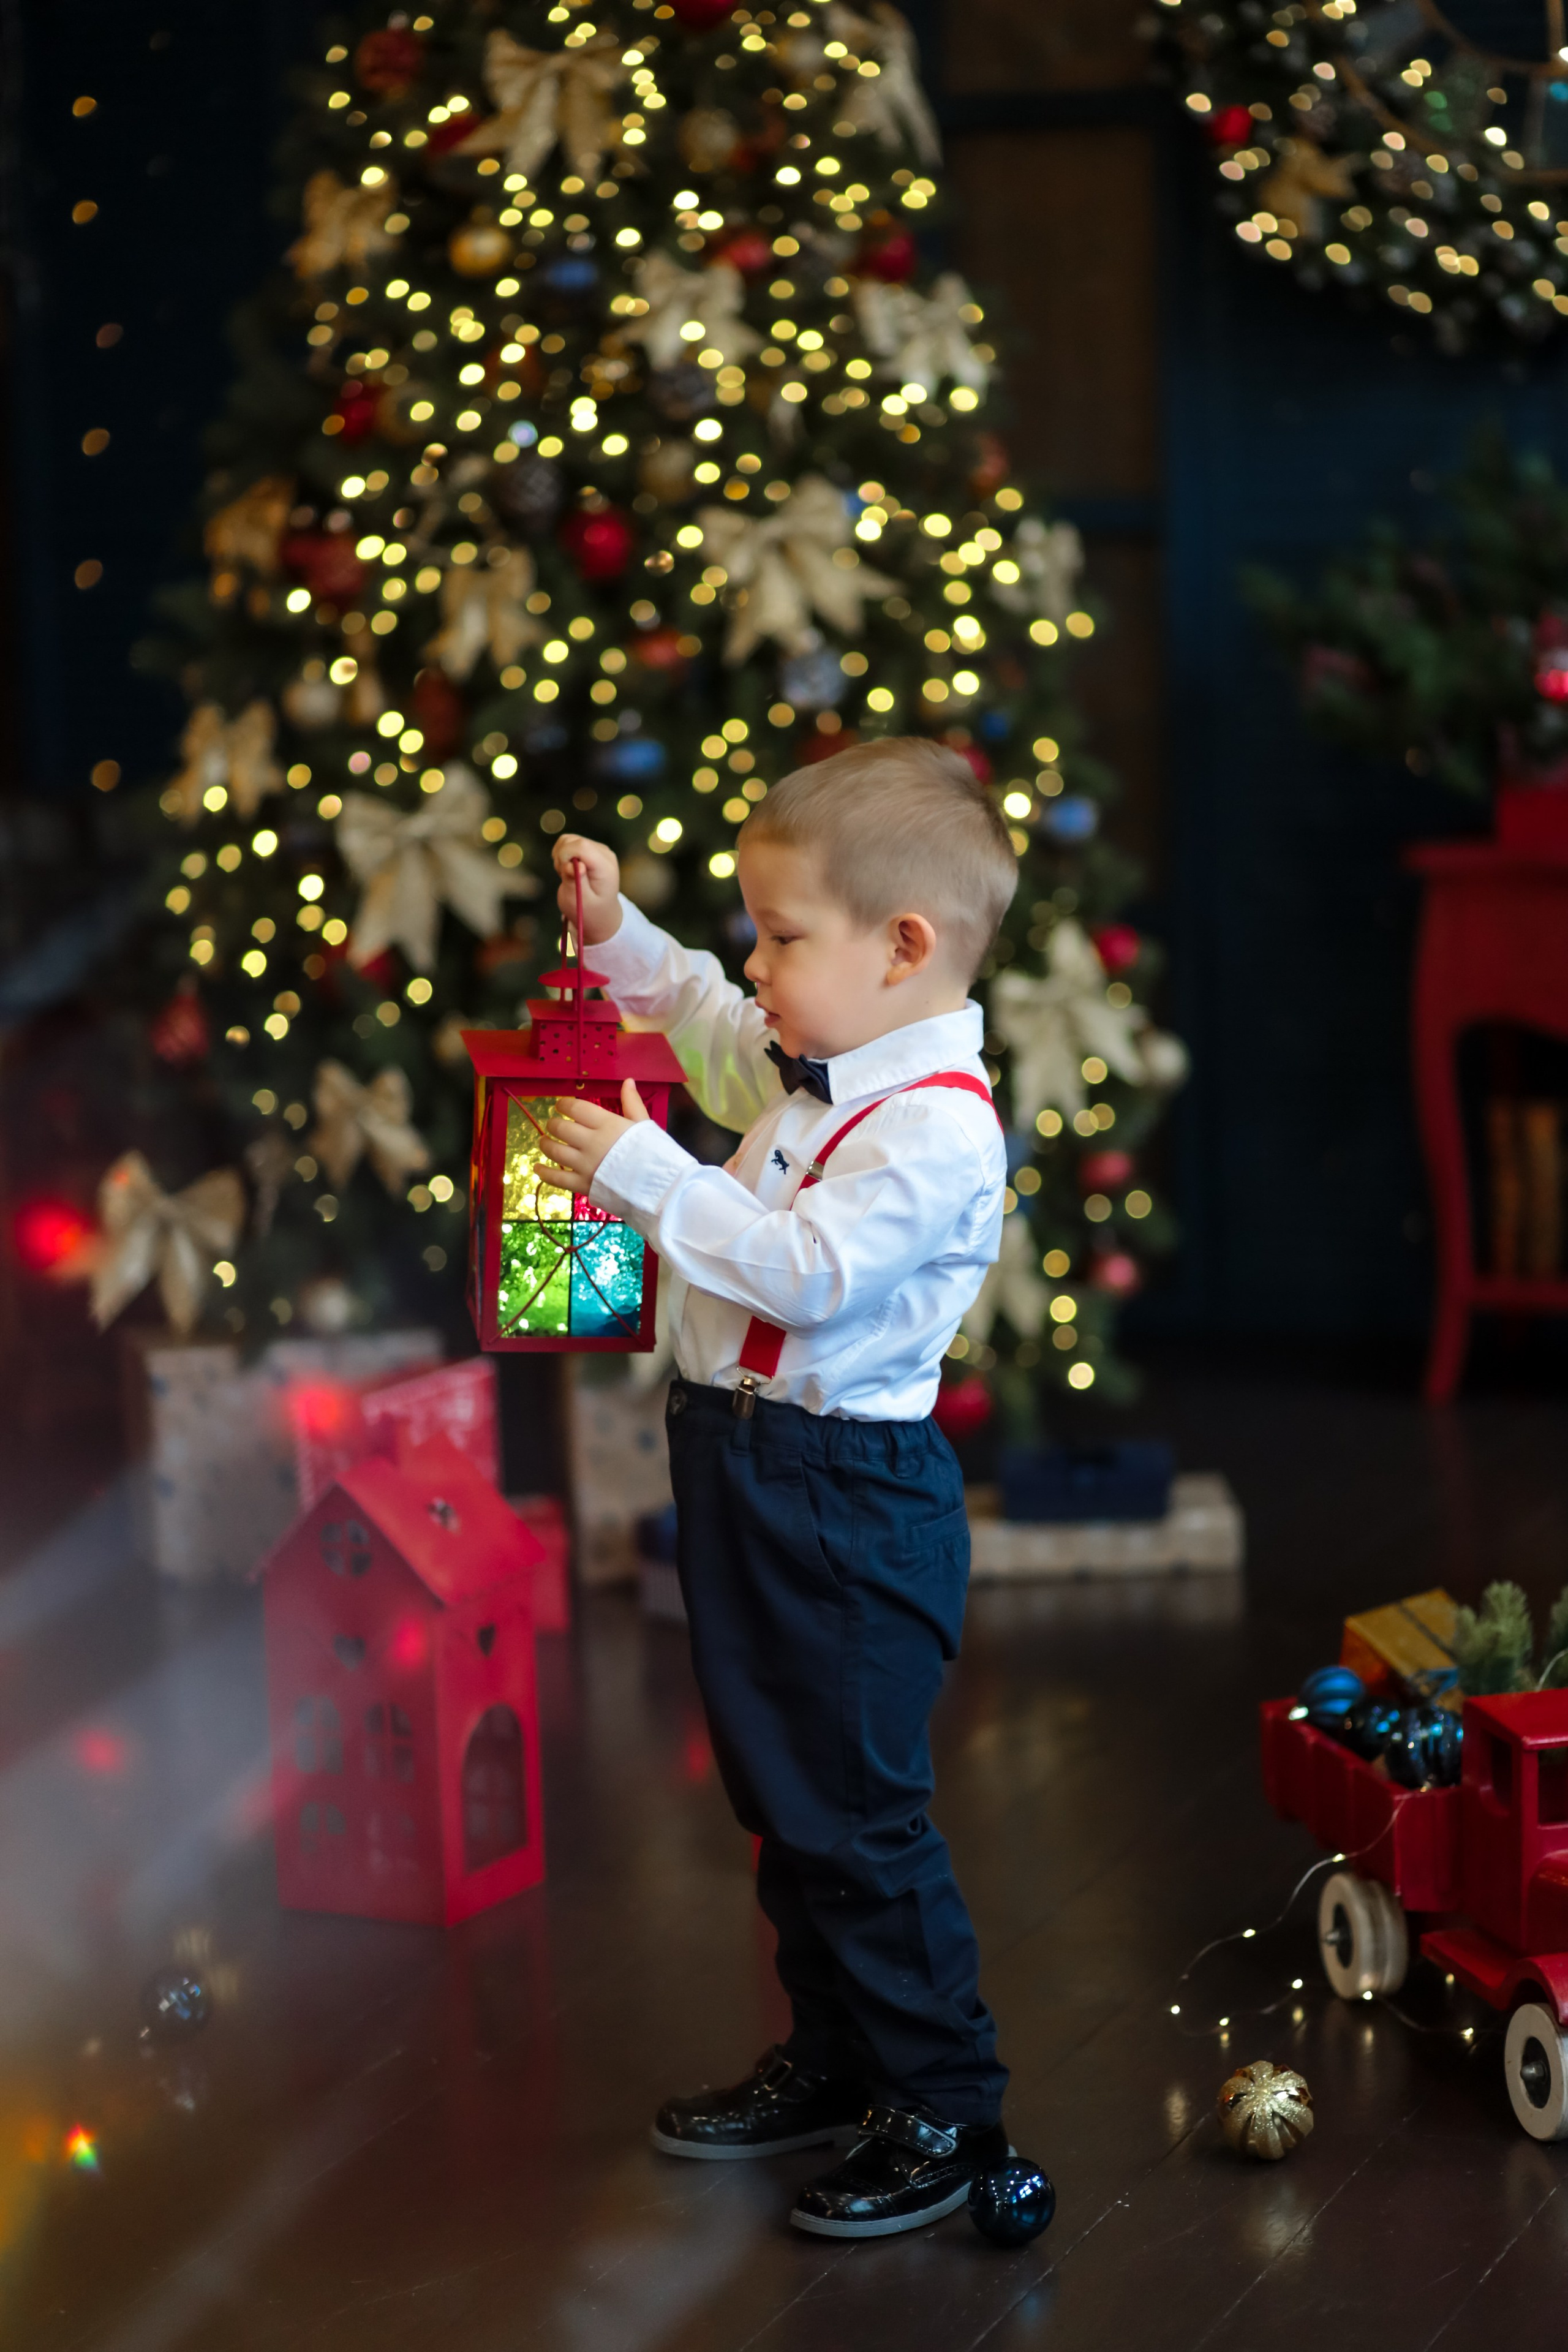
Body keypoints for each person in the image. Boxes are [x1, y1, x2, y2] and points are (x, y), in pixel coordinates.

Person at [540, 736, 1017, 2239]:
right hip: (738, 1463)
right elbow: (692, 1018)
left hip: (843, 1493)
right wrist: (615, 932)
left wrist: (648, 1178)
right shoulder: (810, 1054)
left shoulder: (936, 1127)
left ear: (903, 947)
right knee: (780, 1793)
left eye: (781, 934)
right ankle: (838, 2056)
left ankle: (942, 2101)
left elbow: (809, 1277)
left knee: (857, 1815)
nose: (755, 962)